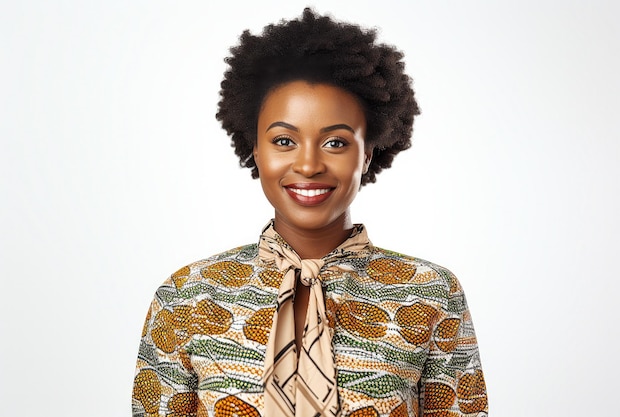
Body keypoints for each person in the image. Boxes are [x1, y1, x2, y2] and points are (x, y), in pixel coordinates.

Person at [132, 8, 488, 417]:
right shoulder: (187, 296)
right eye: (284, 140)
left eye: (335, 143)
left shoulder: (432, 293)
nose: (308, 165)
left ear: (367, 154)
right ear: (255, 150)